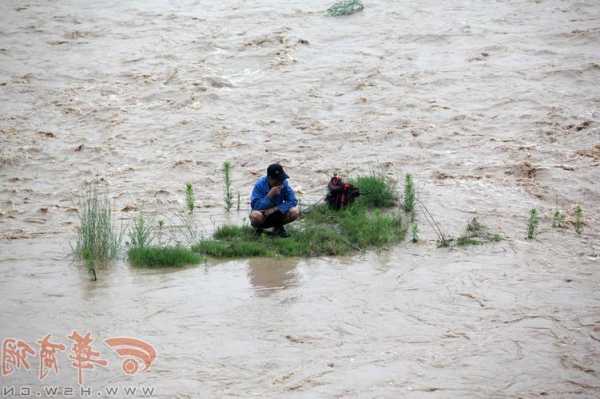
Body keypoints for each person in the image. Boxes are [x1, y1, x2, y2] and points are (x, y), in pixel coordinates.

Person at [249, 163, 299, 237]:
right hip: (263, 215)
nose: (280, 182)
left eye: (281, 179)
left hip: (279, 213)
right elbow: (255, 206)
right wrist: (269, 195)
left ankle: (278, 227)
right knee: (255, 216)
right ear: (269, 178)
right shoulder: (259, 185)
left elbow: (293, 201)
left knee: (295, 211)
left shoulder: (284, 183)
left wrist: (275, 209)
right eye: (277, 180)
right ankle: (260, 229)